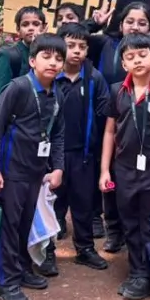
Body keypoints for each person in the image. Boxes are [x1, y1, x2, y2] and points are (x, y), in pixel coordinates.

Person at [0, 35, 66, 300]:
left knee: (25, 222)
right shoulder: (18, 88)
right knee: (9, 224)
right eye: (46, 57)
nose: (53, 63)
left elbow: (58, 133)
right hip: (12, 170)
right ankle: (5, 282)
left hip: (36, 171)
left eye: (58, 59)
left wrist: (58, 167)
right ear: (32, 61)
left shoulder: (57, 93)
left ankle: (21, 268)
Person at [99, 33, 150, 300]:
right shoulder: (117, 91)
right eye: (130, 57)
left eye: (142, 55)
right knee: (129, 222)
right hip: (124, 169)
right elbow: (109, 131)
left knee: (149, 222)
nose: (137, 61)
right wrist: (105, 170)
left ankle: (147, 274)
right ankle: (137, 271)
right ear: (123, 64)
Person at [91, 2, 150, 252]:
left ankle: (141, 235)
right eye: (130, 21)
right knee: (111, 177)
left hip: (145, 129)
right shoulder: (104, 44)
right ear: (120, 24)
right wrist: (94, 24)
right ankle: (114, 230)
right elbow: (70, 38)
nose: (135, 27)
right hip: (109, 120)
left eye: (142, 22)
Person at [52, 23, 111, 271]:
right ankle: (45, 250)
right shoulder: (50, 76)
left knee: (83, 203)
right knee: (51, 203)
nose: (77, 51)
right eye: (71, 45)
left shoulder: (95, 78)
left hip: (83, 154)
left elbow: (105, 115)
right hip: (53, 155)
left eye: (82, 46)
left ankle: (85, 249)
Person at [0, 6, 47, 94]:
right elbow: (0, 95)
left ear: (44, 28)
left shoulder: (49, 55)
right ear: (18, 30)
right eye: (25, 24)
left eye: (36, 24)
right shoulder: (8, 56)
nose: (31, 28)